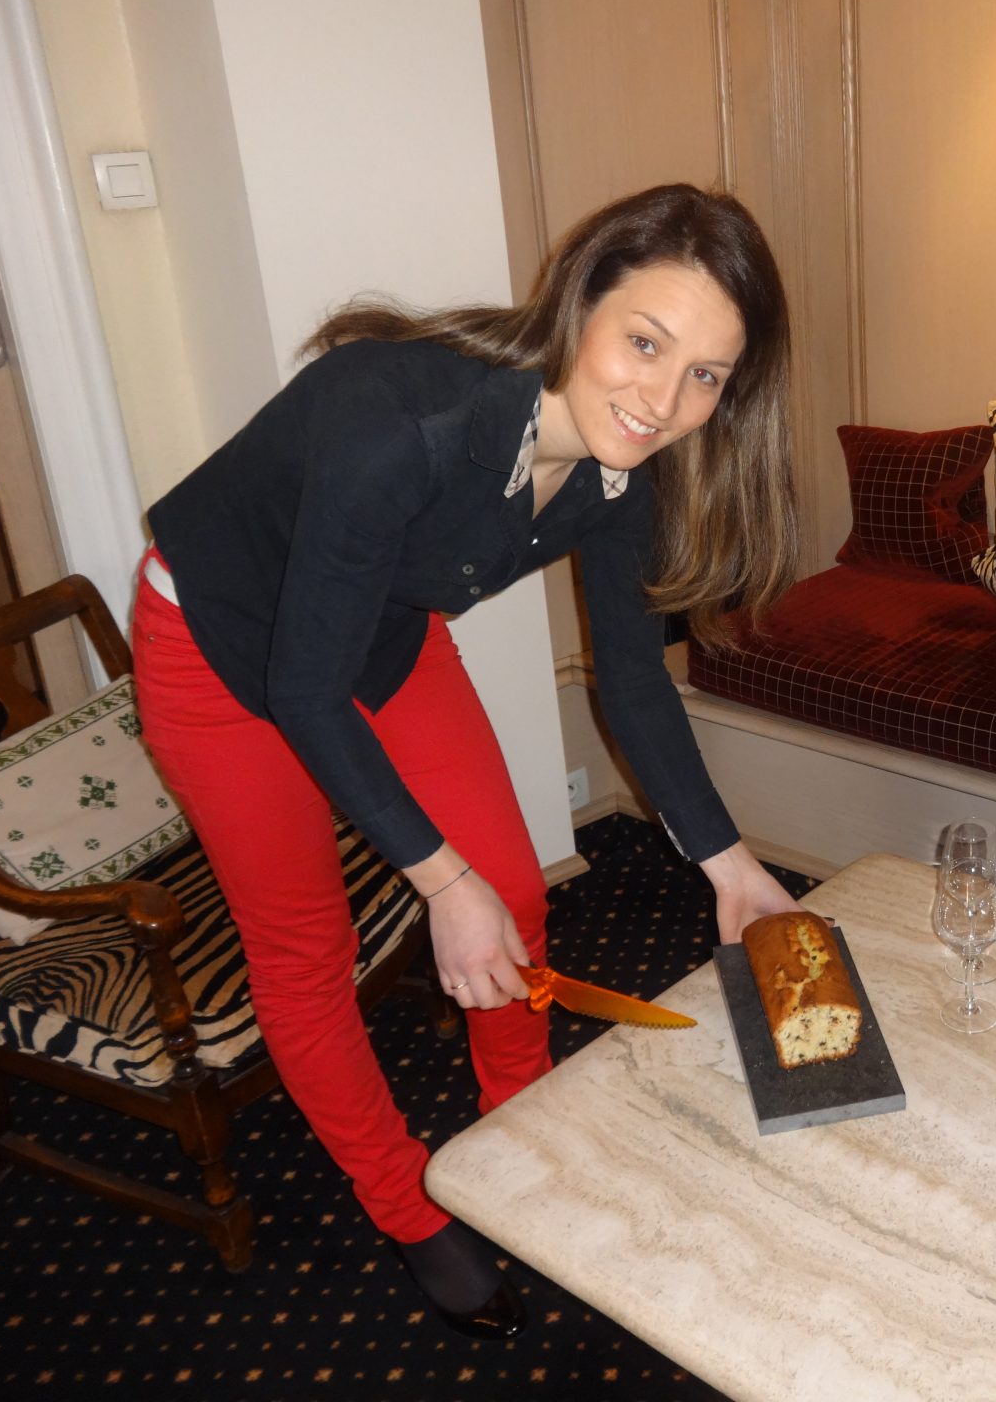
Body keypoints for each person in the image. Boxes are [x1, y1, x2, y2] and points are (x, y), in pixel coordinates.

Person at [131, 183, 802, 1339]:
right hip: (217, 652)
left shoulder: (623, 466)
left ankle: (519, 1136)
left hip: (380, 633)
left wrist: (728, 864)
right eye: (646, 343)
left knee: (514, 890)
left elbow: (632, 678)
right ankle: (405, 1204)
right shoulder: (396, 425)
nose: (663, 401)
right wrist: (440, 884)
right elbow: (303, 691)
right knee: (307, 951)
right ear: (580, 302)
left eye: (705, 374)